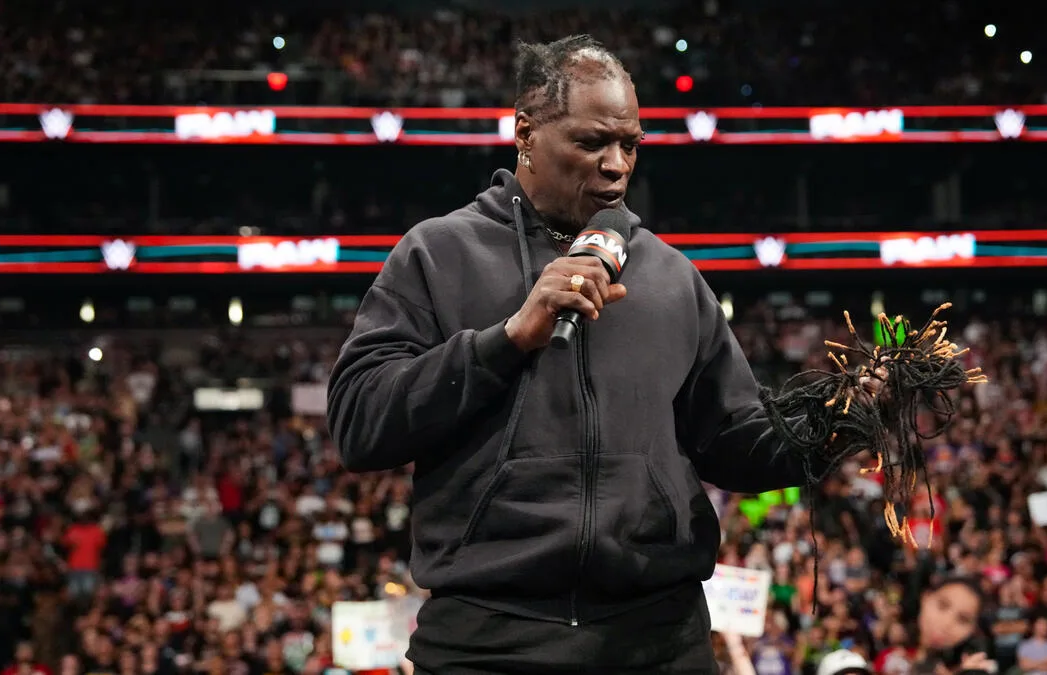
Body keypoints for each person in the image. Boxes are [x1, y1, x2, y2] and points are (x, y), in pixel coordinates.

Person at [328, 35, 884, 674]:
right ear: (526, 133)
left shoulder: (671, 277)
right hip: (488, 643)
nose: (617, 165)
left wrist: (845, 418)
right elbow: (359, 425)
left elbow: (734, 441)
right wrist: (506, 340)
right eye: (592, 142)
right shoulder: (439, 254)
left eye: (630, 144)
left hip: (659, 641)